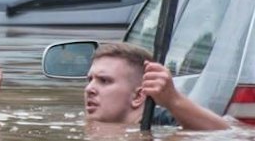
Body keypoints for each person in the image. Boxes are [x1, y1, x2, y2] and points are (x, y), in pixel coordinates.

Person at [82, 41, 233, 132]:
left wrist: (172, 99)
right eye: (90, 79)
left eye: (104, 81)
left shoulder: (164, 124)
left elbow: (225, 132)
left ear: (138, 96)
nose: (89, 89)